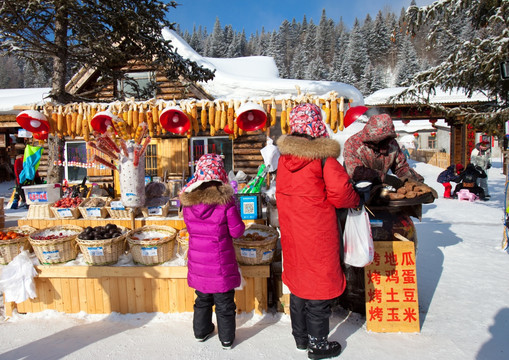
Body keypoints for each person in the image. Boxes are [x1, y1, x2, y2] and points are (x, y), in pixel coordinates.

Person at [276, 103, 360, 359]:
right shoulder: (322, 157)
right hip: (317, 232)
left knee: (300, 282)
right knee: (318, 285)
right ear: (316, 125)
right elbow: (342, 194)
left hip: (292, 231)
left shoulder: (283, 158)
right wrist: (358, 198)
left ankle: (300, 338)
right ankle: (318, 345)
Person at [179, 153, 245, 350]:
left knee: (202, 299)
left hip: (199, 263)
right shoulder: (225, 202)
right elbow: (237, 231)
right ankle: (226, 339)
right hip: (221, 264)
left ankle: (201, 332)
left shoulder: (188, 203)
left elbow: (191, 229)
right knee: (225, 303)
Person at [343, 110, 424, 188]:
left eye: (386, 138)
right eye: (380, 139)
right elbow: (355, 172)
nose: (383, 142)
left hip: (381, 188)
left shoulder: (391, 144)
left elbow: (401, 167)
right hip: (358, 189)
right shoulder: (353, 144)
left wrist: (415, 179)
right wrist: (384, 177)